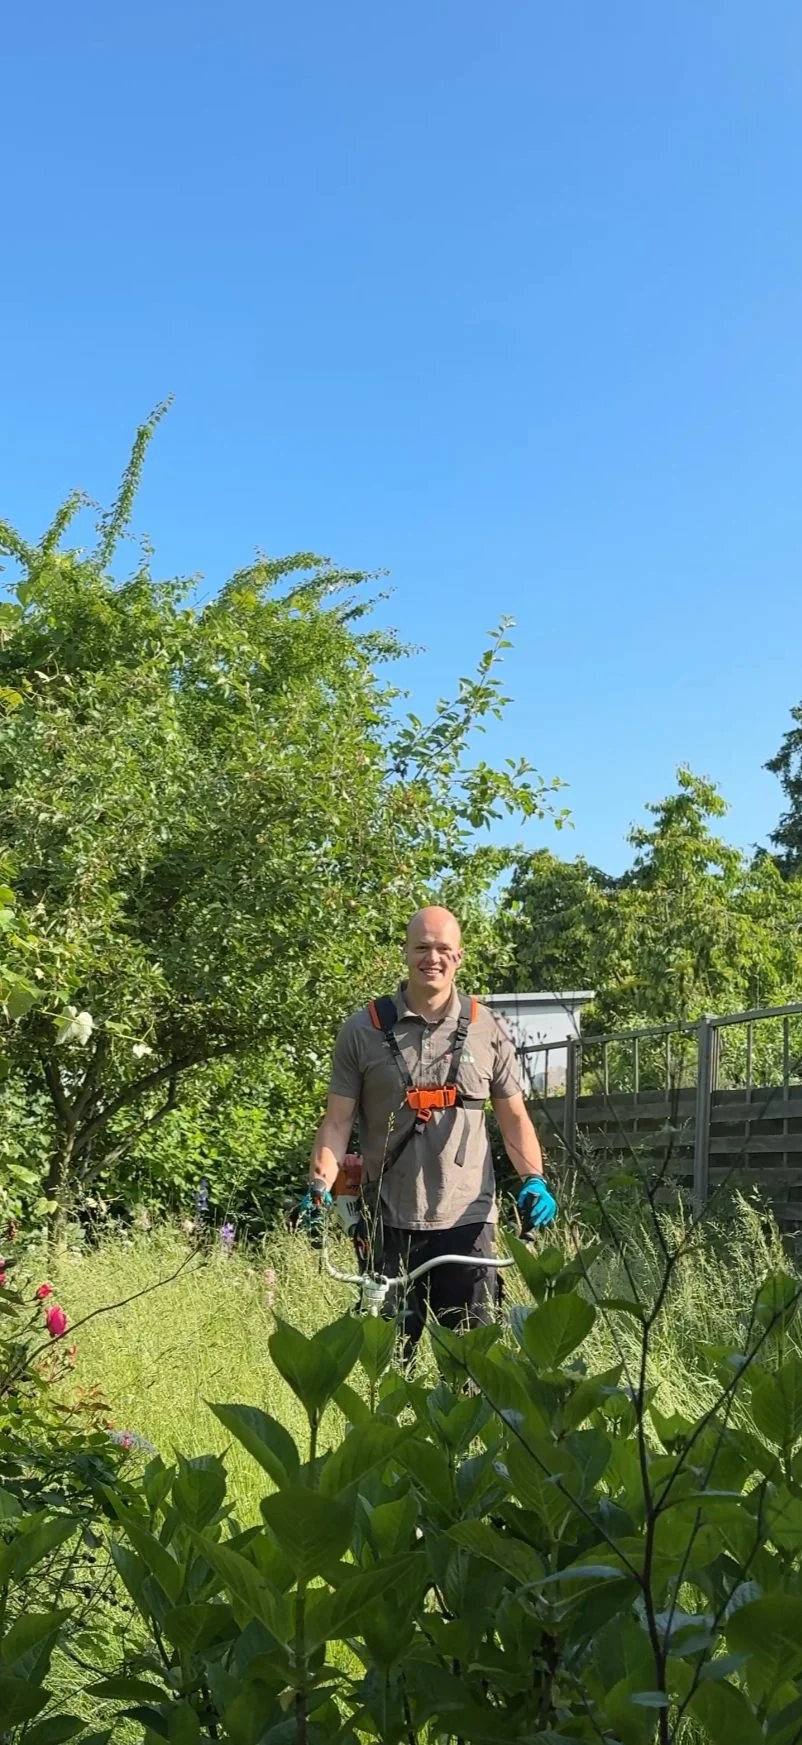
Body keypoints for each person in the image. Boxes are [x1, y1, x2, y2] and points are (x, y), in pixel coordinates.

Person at [302, 906, 557, 1354]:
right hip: (388, 1221)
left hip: (468, 1221)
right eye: (421, 947)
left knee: (471, 1365)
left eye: (442, 948)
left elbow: (514, 1117)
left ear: (459, 956)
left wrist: (534, 1179)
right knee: (387, 1366)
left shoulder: (488, 1028)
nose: (431, 958)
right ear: (405, 952)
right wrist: (320, 1185)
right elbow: (337, 1120)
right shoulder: (362, 1030)